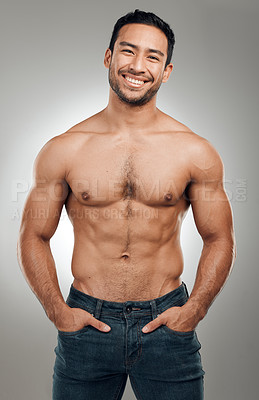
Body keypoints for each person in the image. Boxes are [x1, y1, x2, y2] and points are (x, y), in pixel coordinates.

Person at [17, 9, 236, 400]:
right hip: (86, 325)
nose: (137, 66)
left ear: (166, 71)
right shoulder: (63, 149)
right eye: (128, 51)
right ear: (108, 56)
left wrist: (194, 310)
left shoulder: (195, 151)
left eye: (153, 56)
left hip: (168, 325)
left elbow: (219, 237)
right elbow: (33, 234)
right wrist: (57, 312)